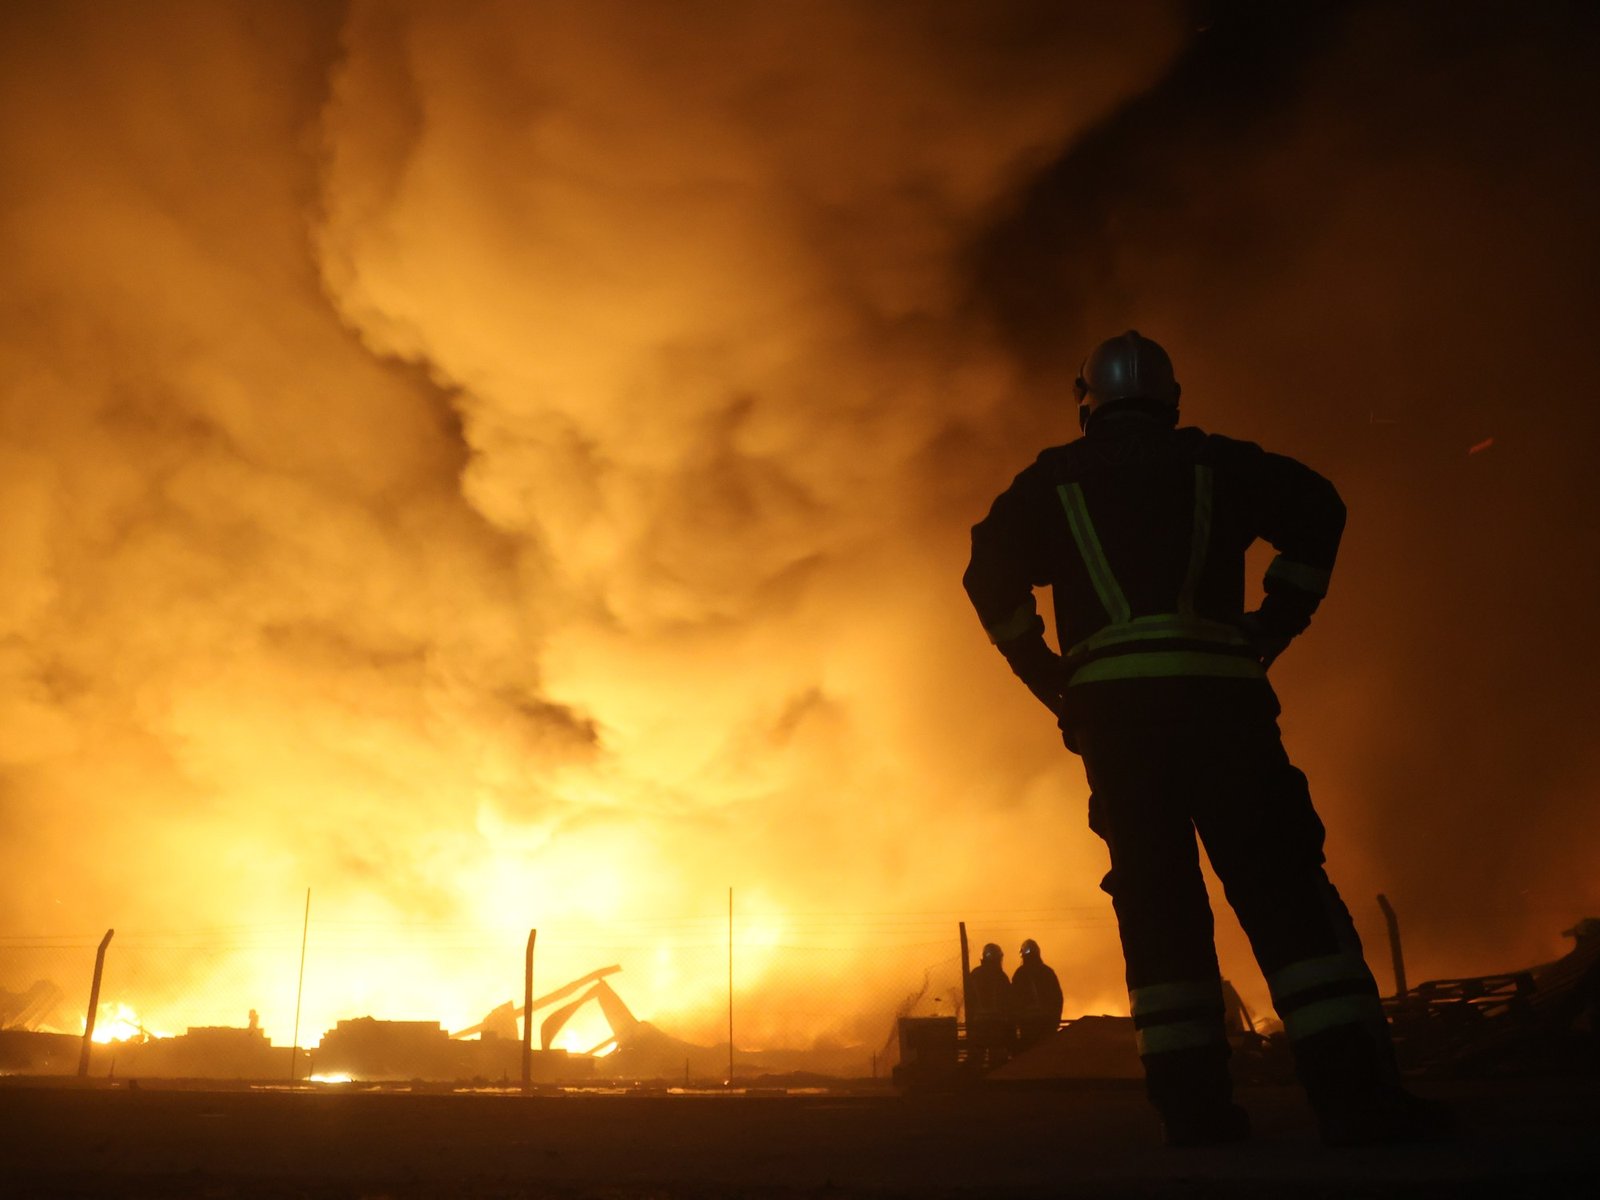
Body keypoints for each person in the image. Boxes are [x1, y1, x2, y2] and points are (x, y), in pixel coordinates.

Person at [962, 331, 1447, 1146]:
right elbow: (1320, 510)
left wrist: (1047, 673)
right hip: (1224, 708)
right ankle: (1357, 1103)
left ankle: (1197, 1116)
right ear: (1172, 401)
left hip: (1119, 726)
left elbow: (987, 573)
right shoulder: (1217, 465)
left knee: (1159, 910)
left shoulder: (1050, 484)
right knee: (1283, 892)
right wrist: (1274, 623)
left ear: (1087, 405)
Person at [965, 942, 1015, 1069]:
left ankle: (976, 1084)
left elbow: (969, 1000)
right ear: (999, 958)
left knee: (976, 1059)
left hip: (978, 1025)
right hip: (997, 1025)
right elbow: (1009, 1002)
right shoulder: (1001, 977)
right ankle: (996, 1083)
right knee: (998, 1061)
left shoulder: (975, 974)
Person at [1012, 938, 1065, 1049]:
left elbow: (1013, 1000)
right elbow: (1058, 998)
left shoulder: (1020, 974)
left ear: (1022, 955)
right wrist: (1055, 1021)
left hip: (1028, 1026)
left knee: (1029, 1058)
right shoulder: (1047, 972)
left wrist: (1017, 1023)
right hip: (1047, 1024)